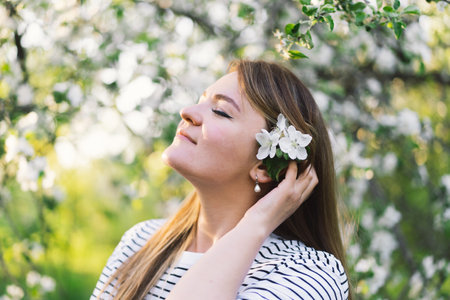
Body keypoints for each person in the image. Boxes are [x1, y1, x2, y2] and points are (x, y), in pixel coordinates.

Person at [91, 60, 351, 299]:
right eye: (200, 100)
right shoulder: (141, 241)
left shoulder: (306, 273)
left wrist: (255, 225)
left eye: (220, 111)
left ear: (264, 166)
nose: (187, 111)